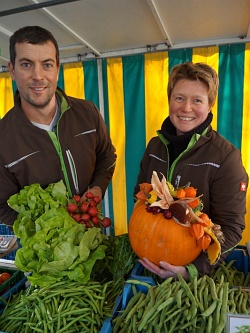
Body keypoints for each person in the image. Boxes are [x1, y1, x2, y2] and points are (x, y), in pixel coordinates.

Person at [133, 61, 248, 280]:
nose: (186, 108)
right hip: (149, 262)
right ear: (169, 100)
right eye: (179, 98)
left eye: (197, 100)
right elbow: (139, 197)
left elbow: (231, 229)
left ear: (210, 104)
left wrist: (191, 270)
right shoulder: (155, 147)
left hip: (199, 277)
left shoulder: (225, 157)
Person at [0, 26, 116, 227]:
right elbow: (2, 206)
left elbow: (107, 156)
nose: (38, 75)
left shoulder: (87, 112)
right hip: (46, 253)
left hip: (92, 235)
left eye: (46, 65)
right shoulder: (3, 139)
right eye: (27, 64)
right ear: (12, 69)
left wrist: (97, 188)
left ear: (57, 68)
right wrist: (47, 232)